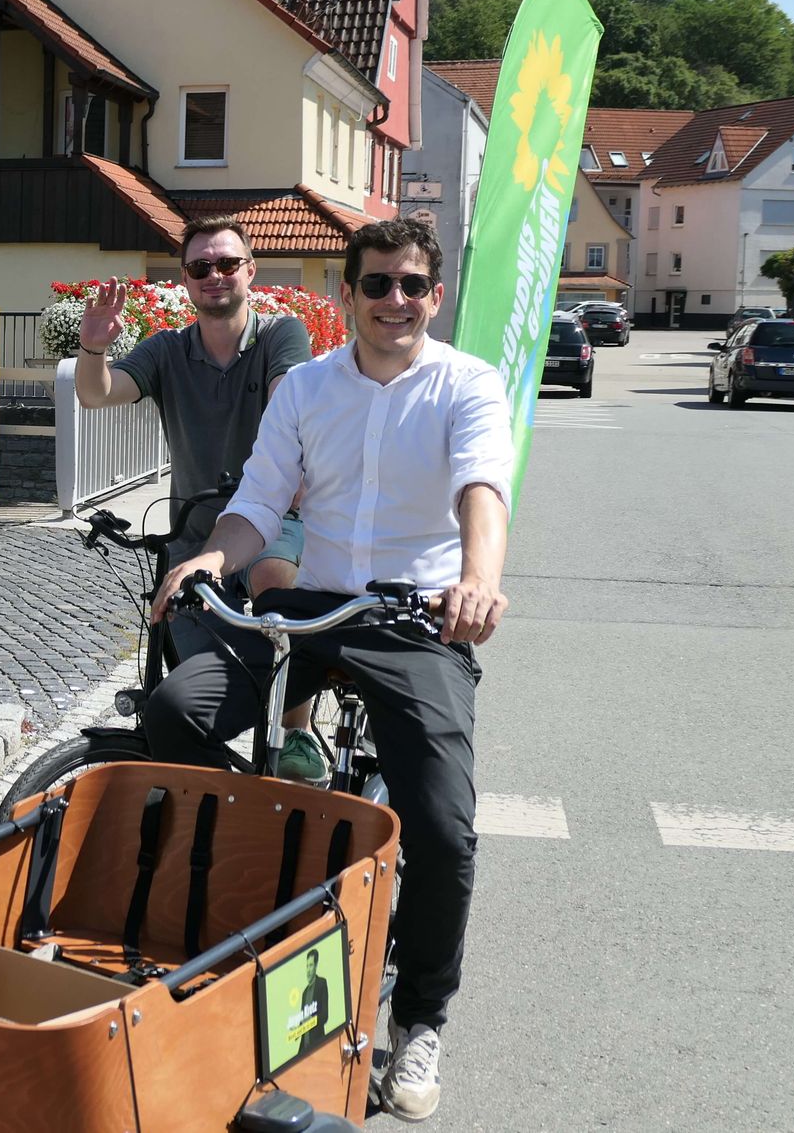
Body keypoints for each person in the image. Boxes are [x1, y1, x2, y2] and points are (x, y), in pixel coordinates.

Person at [147, 216, 512, 1122]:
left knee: (441, 825)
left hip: (415, 618)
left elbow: (482, 489)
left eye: (413, 285)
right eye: (377, 284)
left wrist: (478, 582)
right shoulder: (306, 387)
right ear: (346, 295)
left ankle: (421, 1017)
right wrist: (211, 561)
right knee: (173, 710)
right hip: (309, 609)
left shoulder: (467, 384)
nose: (397, 301)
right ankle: (250, 874)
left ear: (436, 294)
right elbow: (261, 498)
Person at [74, 214, 324, 779]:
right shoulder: (167, 351)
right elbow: (98, 394)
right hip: (195, 535)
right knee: (196, 697)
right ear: (186, 280)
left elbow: (291, 401)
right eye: (200, 266)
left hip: (273, 515)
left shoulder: (280, 335)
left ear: (250, 272)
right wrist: (93, 350)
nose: (215, 275)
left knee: (273, 582)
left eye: (228, 264)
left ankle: (298, 730)